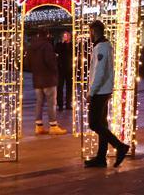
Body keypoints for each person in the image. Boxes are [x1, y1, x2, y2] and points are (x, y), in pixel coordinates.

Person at [84, 20, 129, 168]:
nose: (89, 36)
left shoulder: (101, 48)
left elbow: (100, 72)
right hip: (104, 90)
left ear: (93, 32)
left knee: (94, 124)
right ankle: (101, 158)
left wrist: (92, 92)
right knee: (101, 123)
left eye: (89, 32)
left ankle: (120, 146)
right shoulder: (104, 46)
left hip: (100, 91)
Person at [29, 29, 67, 135]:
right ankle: (53, 126)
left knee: (39, 102)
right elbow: (50, 62)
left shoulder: (32, 46)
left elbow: (28, 62)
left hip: (37, 78)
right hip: (48, 78)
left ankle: (39, 126)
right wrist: (55, 68)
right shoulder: (47, 46)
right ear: (48, 35)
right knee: (51, 103)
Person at [55, 31, 73, 110]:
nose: (66, 37)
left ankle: (68, 104)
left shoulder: (72, 45)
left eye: (67, 35)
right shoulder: (59, 44)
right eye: (64, 35)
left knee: (69, 87)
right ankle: (60, 104)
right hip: (61, 68)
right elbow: (56, 50)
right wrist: (63, 43)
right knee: (60, 87)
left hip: (70, 69)